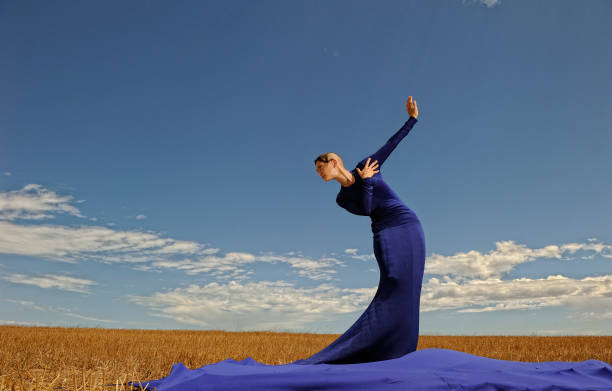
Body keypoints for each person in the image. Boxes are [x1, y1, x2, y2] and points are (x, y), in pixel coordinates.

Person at [290, 96, 425, 364]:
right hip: (385, 229)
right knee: (394, 279)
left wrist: (412, 120)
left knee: (410, 285)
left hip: (408, 223)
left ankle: (402, 352)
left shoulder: (366, 164)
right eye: (317, 171)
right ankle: (372, 348)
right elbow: (367, 207)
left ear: (335, 161)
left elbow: (391, 144)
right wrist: (366, 183)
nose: (319, 173)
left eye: (321, 167)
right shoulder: (342, 199)